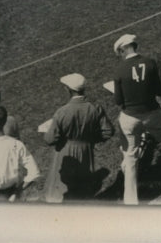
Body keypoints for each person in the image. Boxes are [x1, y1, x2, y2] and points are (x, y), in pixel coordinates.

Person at [112, 33, 161, 205]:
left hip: (130, 117)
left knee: (130, 156)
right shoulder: (150, 63)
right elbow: (159, 89)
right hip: (152, 113)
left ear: (122, 50)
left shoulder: (119, 70)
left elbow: (118, 101)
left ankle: (131, 200)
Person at [43, 73, 114, 202]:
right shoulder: (95, 108)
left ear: (68, 89)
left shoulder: (62, 111)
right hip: (86, 151)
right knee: (83, 188)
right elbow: (108, 131)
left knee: (63, 188)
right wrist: (90, 140)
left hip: (65, 152)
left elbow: (50, 139)